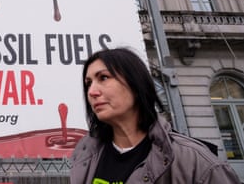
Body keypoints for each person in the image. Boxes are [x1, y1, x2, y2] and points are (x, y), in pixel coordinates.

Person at [71, 47, 241, 184]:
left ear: (136, 84)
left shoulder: (195, 163)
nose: (92, 92)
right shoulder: (85, 154)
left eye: (104, 78)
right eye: (88, 83)